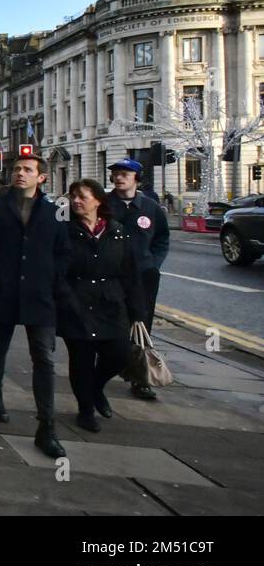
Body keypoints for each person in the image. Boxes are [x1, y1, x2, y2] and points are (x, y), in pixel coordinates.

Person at [0, 153, 72, 459]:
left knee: (44, 358)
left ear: (42, 177)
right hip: (3, 290)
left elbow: (64, 253)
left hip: (40, 295)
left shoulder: (54, 213)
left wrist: (53, 279)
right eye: (16, 169)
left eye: (27, 170)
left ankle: (46, 426)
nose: (20, 174)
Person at [56, 178, 145, 432]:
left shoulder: (117, 232)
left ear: (98, 200)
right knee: (81, 359)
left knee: (120, 355)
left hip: (110, 304)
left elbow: (130, 273)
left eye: (82, 196)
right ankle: (85, 410)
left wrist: (137, 311)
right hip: (76, 303)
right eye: (73, 196)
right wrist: (62, 297)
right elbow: (56, 270)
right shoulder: (65, 231)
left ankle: (95, 388)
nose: (76, 201)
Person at [106, 158, 170, 402]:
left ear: (137, 178)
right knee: (109, 322)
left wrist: (153, 263)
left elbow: (162, 238)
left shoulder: (150, 207)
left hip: (143, 276)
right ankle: (106, 367)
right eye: (116, 174)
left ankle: (140, 378)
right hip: (111, 276)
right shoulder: (104, 205)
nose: (119, 177)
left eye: (125, 174)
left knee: (141, 325)